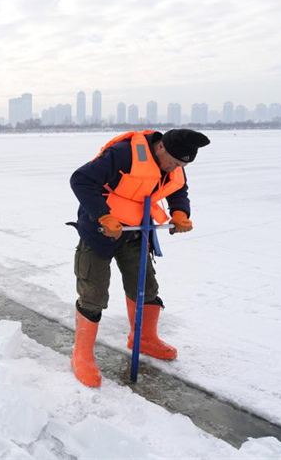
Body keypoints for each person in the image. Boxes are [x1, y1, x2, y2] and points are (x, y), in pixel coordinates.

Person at [68, 128, 210, 388]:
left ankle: (143, 338)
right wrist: (103, 215)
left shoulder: (174, 165)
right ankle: (82, 355)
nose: (175, 168)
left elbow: (178, 189)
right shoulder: (123, 154)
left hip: (136, 232)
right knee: (94, 294)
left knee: (145, 288)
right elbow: (80, 180)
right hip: (99, 231)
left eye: (181, 165)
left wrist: (180, 212)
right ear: (161, 148)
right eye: (175, 162)